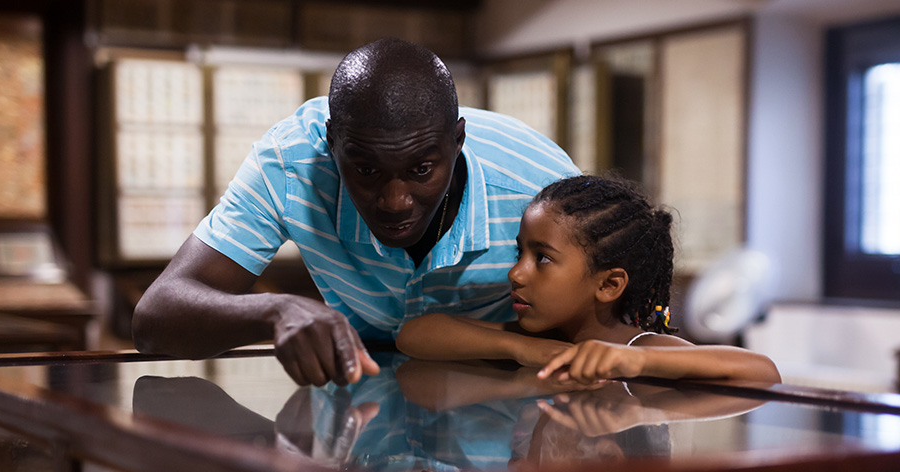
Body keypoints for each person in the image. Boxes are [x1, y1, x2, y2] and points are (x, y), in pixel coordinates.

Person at [132, 38, 580, 387]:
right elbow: (155, 320)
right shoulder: (290, 163)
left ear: (457, 140)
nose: (394, 201)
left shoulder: (542, 188)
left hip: (502, 419)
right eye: (366, 169)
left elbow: (604, 321)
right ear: (331, 143)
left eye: (421, 169)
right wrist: (275, 310)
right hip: (360, 425)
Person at [396, 175, 782, 385]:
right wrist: (519, 348)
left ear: (609, 285)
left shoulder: (638, 347)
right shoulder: (537, 342)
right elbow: (413, 334)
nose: (516, 272)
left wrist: (636, 361)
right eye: (521, 254)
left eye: (542, 258)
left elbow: (763, 371)